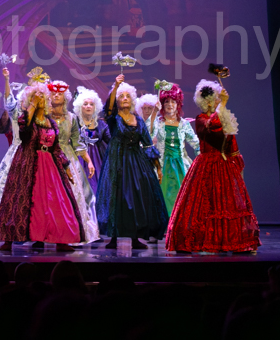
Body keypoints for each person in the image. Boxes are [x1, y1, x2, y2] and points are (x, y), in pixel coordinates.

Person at [165, 80, 259, 253]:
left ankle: (234, 242)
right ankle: (203, 241)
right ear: (208, 102)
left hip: (225, 167)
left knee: (228, 205)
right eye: (216, 99)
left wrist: (237, 163)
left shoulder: (224, 118)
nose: (218, 101)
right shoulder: (201, 119)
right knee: (202, 204)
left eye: (219, 99)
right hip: (206, 166)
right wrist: (223, 105)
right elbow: (212, 129)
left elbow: (231, 143)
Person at [0, 83, 83, 252]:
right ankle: (9, 240)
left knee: (57, 203)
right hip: (28, 163)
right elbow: (24, 132)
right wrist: (32, 104)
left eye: (42, 96)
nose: (40, 98)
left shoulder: (51, 122)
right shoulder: (26, 118)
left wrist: (66, 167)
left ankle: (61, 240)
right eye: (36, 95)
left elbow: (56, 148)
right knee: (19, 202)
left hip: (50, 167)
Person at [96, 74, 169, 250]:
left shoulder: (139, 120)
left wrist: (157, 168)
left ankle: (136, 237)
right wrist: (115, 86)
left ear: (132, 100)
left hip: (136, 161)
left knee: (137, 197)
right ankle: (113, 238)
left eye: (127, 96)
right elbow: (108, 108)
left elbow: (148, 143)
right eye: (121, 96)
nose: (125, 98)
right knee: (116, 197)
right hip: (116, 161)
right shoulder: (114, 119)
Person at [0, 67, 44, 240]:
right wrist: (6, 80)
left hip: (36, 155)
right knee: (5, 190)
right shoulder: (17, 112)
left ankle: (34, 231)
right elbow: (8, 100)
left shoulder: (40, 115)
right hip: (17, 154)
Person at [47, 80, 99, 243]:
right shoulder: (44, 117)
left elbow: (77, 143)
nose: (56, 95)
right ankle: (45, 233)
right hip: (48, 157)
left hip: (68, 157)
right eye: (53, 93)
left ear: (65, 97)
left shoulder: (71, 118)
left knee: (72, 195)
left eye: (60, 93)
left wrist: (88, 161)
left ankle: (69, 232)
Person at [149, 81, 199, 216]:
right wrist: (154, 113)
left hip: (181, 166)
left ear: (178, 104)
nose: (170, 105)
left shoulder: (184, 124)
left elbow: (196, 143)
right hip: (162, 166)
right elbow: (148, 134)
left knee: (183, 199)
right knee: (163, 199)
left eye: (173, 101)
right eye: (167, 102)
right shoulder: (158, 123)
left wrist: (204, 158)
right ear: (162, 104)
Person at [73, 86, 110, 193]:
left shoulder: (101, 124)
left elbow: (111, 141)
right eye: (85, 104)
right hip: (78, 159)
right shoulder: (74, 123)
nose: (88, 106)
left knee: (98, 188)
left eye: (91, 104)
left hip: (97, 160)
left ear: (95, 107)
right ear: (80, 107)